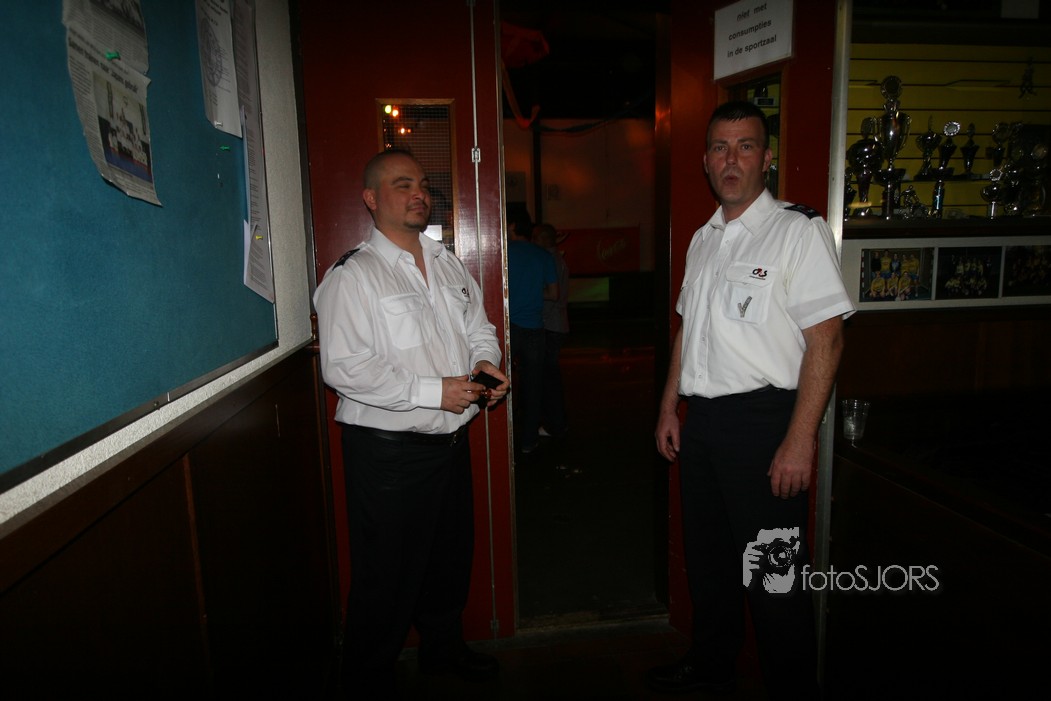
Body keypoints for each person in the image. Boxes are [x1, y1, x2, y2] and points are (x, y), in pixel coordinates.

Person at [650, 101, 854, 699]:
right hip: (704, 423)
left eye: (745, 146)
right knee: (709, 562)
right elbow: (687, 332)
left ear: (767, 158)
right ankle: (712, 662)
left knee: (773, 576)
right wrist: (668, 406)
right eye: (720, 147)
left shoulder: (797, 231)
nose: (731, 159)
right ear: (706, 160)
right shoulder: (703, 238)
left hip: (765, 425)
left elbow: (827, 339)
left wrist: (800, 439)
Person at [313, 149, 509, 698]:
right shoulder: (353, 276)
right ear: (371, 199)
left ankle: (442, 649)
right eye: (403, 184)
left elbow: (479, 326)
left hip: (449, 444)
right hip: (388, 454)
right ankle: (367, 676)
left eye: (422, 184)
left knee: (449, 558)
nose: (419, 193)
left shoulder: (446, 262)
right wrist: (433, 392)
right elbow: (344, 368)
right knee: (386, 574)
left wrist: (485, 364)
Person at [506, 206, 558, 454]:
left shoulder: (503, 252)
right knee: (533, 386)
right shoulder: (543, 255)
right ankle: (529, 440)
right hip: (534, 329)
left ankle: (503, 440)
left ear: (512, 226)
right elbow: (554, 294)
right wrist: (533, 292)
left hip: (508, 328)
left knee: (499, 383)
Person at [534, 222, 570, 438]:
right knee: (551, 377)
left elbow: (552, 294)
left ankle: (555, 424)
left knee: (549, 379)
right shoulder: (559, 259)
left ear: (543, 239)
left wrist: (530, 293)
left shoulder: (548, 260)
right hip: (558, 323)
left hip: (550, 324)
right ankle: (557, 422)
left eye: (535, 238)